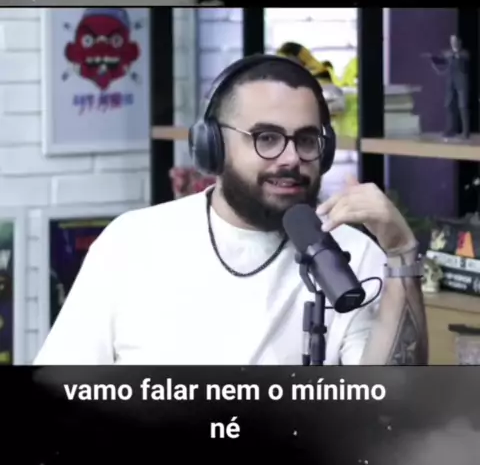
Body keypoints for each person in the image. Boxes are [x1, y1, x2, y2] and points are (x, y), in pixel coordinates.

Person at [34, 55, 428, 366]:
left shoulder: (350, 256)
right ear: (213, 146)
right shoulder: (132, 242)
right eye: (267, 138)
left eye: (307, 140)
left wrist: (401, 255)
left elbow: (394, 409)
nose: (291, 158)